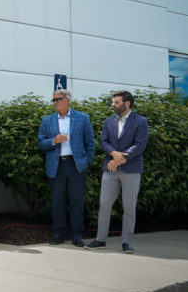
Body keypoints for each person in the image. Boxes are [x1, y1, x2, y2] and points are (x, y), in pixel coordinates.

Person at [86, 90, 149, 253]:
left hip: (131, 170)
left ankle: (126, 242)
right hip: (110, 169)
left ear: (127, 103)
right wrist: (114, 154)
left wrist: (121, 158)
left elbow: (140, 144)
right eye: (113, 102)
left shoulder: (141, 121)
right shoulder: (108, 121)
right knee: (104, 205)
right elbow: (103, 141)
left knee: (129, 207)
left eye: (116, 102)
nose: (113, 105)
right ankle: (100, 239)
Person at [38, 89, 95, 247]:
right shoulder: (47, 121)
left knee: (77, 201)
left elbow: (90, 143)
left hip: (76, 165)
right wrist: (53, 141)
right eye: (54, 100)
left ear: (68, 100)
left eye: (58, 99)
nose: (55, 102)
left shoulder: (82, 118)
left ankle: (77, 235)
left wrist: (87, 161)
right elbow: (40, 143)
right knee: (58, 201)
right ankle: (59, 233)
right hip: (56, 165)